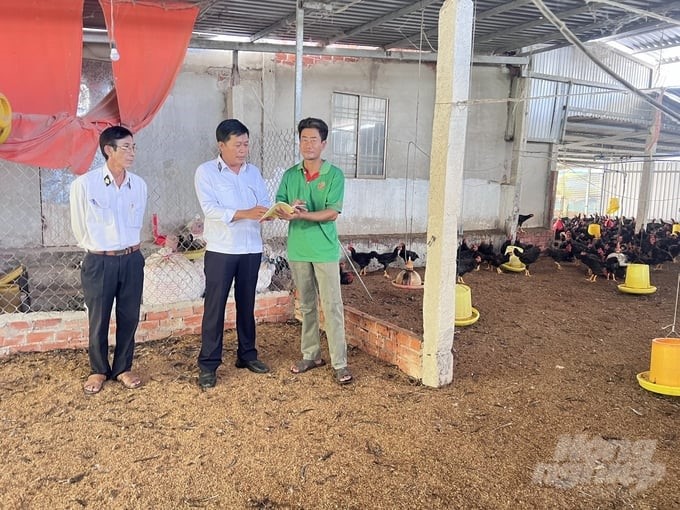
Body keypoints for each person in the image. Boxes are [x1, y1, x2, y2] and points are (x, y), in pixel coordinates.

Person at [194, 119, 271, 389]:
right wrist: (244, 214)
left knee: (247, 304)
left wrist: (274, 212)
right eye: (237, 144)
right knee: (214, 308)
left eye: (246, 144)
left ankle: (247, 355)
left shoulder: (253, 173)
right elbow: (210, 209)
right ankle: (209, 364)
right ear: (221, 145)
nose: (243, 149)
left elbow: (264, 203)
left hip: (250, 249)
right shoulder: (206, 172)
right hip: (222, 250)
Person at [70, 126, 147, 395]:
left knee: (129, 316)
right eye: (125, 147)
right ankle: (98, 370)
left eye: (133, 146)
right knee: (99, 318)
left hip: (132, 259)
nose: (131, 152)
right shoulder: (85, 185)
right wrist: (100, 249)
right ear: (108, 150)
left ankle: (123, 367)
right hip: (99, 261)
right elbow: (79, 228)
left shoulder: (138, 185)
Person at [275, 117, 352, 385]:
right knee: (306, 305)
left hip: (324, 250)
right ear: (299, 142)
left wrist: (303, 216)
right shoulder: (289, 175)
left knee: (332, 307)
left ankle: (340, 363)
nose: (308, 144)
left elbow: (332, 213)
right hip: (298, 250)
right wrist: (288, 209)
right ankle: (311, 355)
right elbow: (279, 206)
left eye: (313, 139)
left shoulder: (334, 175)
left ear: (324, 144)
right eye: (304, 139)